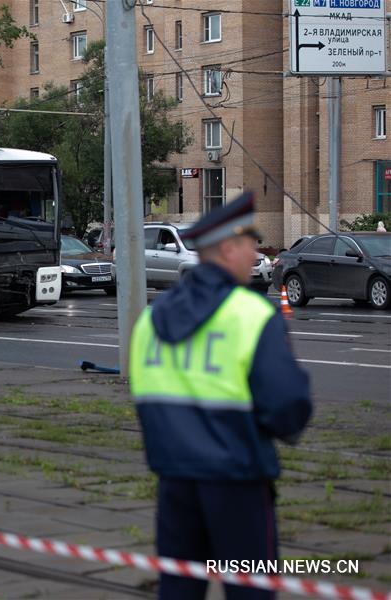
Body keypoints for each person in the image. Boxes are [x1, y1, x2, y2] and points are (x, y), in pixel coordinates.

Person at [129, 191, 312, 600]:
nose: (255, 256)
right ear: (228, 247)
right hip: (238, 481)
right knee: (250, 590)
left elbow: (144, 398)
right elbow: (287, 406)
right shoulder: (251, 314)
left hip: (174, 480)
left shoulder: (152, 319)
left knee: (179, 589)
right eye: (250, 246)